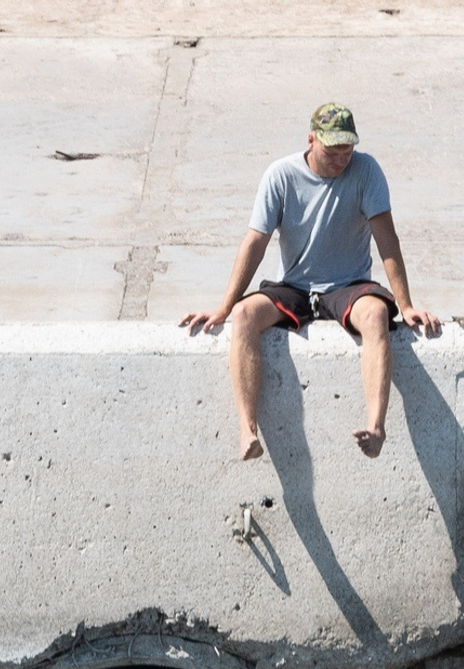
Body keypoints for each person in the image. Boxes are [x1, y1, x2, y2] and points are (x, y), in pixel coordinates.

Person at [180, 102, 442, 460]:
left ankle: (376, 428)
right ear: (311, 141)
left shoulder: (367, 172)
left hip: (348, 284)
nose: (341, 161)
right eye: (332, 152)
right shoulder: (280, 175)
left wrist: (407, 304)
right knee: (243, 317)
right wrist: (226, 305)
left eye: (347, 151)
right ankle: (247, 430)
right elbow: (255, 242)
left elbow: (388, 241)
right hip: (294, 286)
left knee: (376, 316)